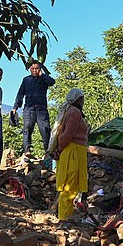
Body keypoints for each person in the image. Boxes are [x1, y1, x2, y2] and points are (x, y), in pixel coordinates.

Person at [48, 89, 89, 221]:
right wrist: (59, 150)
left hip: (75, 150)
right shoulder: (74, 112)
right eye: (82, 99)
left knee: (72, 185)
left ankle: (67, 215)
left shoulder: (71, 111)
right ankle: (64, 218)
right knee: (69, 185)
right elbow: (67, 134)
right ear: (78, 100)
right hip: (72, 151)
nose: (83, 101)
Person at [12, 61, 56, 155]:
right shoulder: (26, 80)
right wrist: (15, 107)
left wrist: (43, 75)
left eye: (37, 68)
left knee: (45, 130)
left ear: (40, 69)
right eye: (33, 69)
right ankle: (27, 150)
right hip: (29, 109)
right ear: (29, 69)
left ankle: (48, 152)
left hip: (41, 110)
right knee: (27, 129)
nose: (35, 70)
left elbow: (52, 82)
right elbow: (20, 93)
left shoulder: (44, 79)